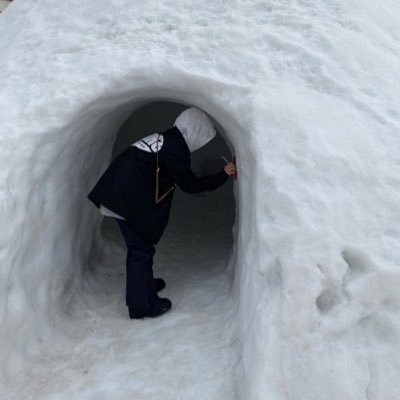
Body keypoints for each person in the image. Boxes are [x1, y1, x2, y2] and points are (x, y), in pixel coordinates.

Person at [87, 107, 237, 319]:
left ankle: (144, 284)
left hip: (118, 192)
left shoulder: (169, 138)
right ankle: (141, 305)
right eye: (201, 136)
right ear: (194, 132)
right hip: (121, 199)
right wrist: (223, 174)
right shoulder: (175, 149)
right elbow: (190, 184)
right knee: (140, 250)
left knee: (142, 247)